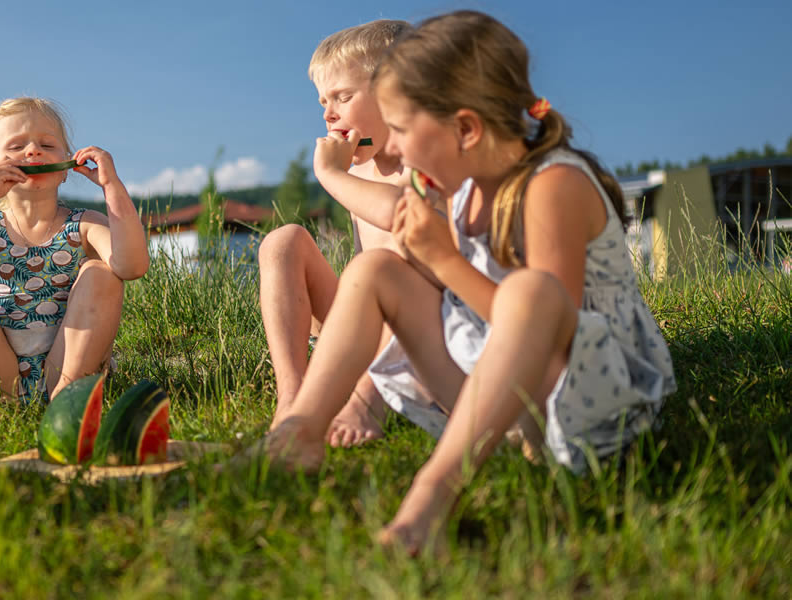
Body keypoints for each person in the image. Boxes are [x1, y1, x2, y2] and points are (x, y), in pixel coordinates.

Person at [260, 10, 675, 554]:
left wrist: (445, 261)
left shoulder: (554, 185)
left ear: (465, 129)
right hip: (499, 394)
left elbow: (547, 323)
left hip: (584, 398)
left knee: (531, 292)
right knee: (375, 268)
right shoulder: (463, 185)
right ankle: (300, 434)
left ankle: (432, 494)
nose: (400, 151)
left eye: (404, 130)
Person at [0, 98, 148, 437]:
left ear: (68, 166)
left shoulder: (84, 225)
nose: (33, 152)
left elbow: (132, 266)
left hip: (70, 366)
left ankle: (66, 405)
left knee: (101, 272)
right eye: (16, 146)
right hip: (2, 374)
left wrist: (111, 186)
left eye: (47, 144)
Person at [261, 19, 420, 448]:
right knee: (282, 241)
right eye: (323, 101)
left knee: (387, 264)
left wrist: (331, 174)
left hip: (422, 330)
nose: (329, 113)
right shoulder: (360, 168)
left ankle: (370, 400)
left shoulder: (425, 161)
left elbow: (407, 230)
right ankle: (292, 396)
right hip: (367, 326)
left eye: (343, 97)